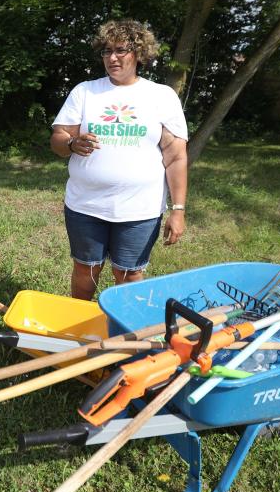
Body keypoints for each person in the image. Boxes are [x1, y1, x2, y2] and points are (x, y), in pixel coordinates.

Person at [50, 19, 188, 300]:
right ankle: (78, 325)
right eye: (106, 51)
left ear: (138, 53)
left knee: (129, 275)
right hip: (85, 205)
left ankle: (122, 332)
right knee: (85, 270)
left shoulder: (161, 96)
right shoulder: (85, 92)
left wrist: (178, 210)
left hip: (139, 210)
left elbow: (175, 157)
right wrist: (72, 143)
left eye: (121, 50)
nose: (112, 57)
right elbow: (58, 140)